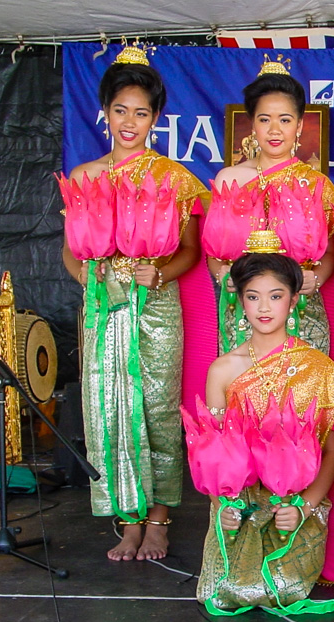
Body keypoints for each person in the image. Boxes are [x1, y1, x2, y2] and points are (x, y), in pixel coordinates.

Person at [61, 43, 208, 561]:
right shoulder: (83, 177)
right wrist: (87, 277)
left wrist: (159, 272)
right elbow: (69, 249)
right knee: (107, 408)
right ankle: (127, 518)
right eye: (120, 110)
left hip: (156, 305)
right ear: (104, 113)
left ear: (156, 118)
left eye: (141, 112)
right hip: (104, 308)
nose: (130, 121)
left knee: (158, 409)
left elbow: (191, 250)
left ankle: (161, 518)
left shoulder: (174, 179)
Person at [198, 250, 334, 610]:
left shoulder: (317, 367)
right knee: (224, 594)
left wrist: (304, 507)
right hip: (238, 507)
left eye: (275, 296)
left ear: (293, 300)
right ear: (240, 302)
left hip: (295, 505)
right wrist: (221, 506)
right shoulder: (223, 370)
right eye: (253, 297)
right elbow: (214, 451)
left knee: (281, 590)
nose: (264, 307)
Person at [209, 57, 334, 358]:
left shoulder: (316, 184)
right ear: (251, 123)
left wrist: (317, 277)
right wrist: (222, 275)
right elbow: (213, 252)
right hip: (244, 315)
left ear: (299, 124)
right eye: (264, 119)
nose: (274, 130)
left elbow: (333, 251)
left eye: (284, 120)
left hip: (303, 314)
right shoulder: (229, 180)